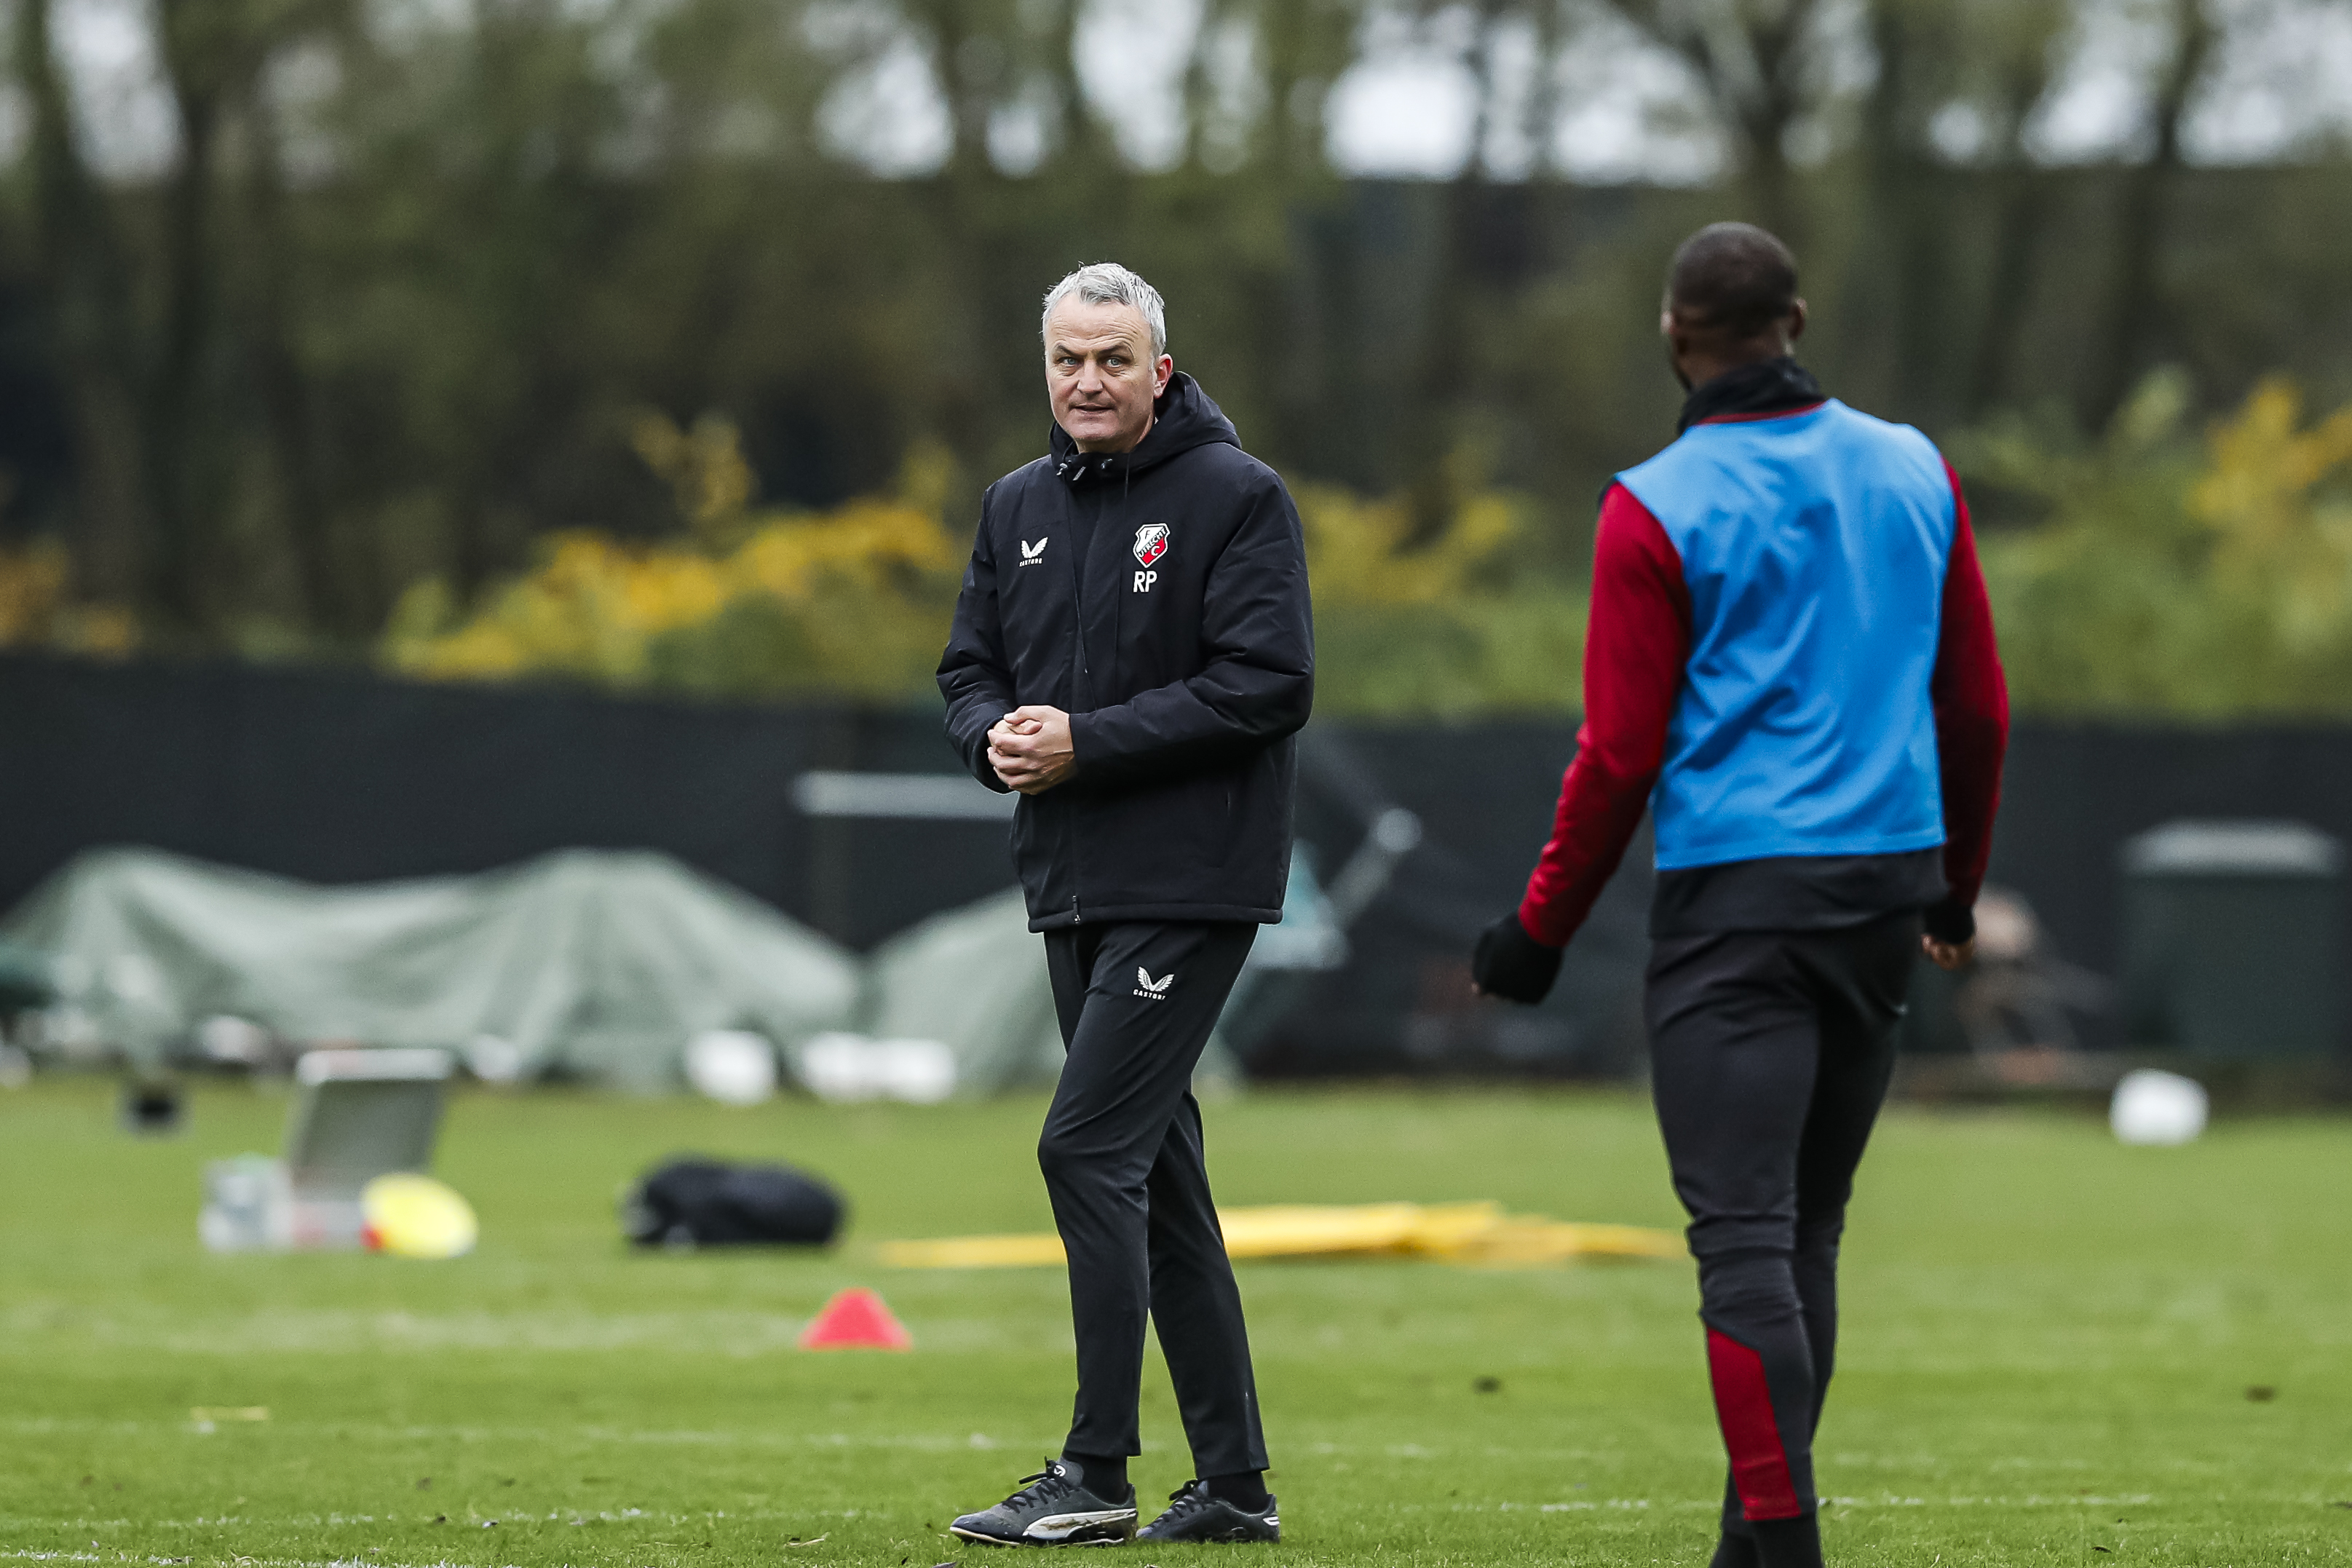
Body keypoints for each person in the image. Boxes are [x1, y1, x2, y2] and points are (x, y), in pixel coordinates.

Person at [1470, 223, 2008, 1568]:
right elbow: (1977, 707)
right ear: (1798, 321)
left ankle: (1784, 1542)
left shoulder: (1654, 503)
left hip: (1740, 905)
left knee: (1743, 1242)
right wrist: (1955, 893)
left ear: (1674, 335)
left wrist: (1539, 931)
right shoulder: (1916, 468)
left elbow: (1619, 755)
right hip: (1884, 892)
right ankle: (1748, 1545)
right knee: (1805, 1233)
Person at [936, 262, 1312, 1548]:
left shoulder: (1237, 495)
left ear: (1162, 368)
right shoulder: (1016, 504)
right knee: (1155, 1175)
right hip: (1070, 880)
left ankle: (1096, 1469)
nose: (1087, 381)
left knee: (1084, 1148)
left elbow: (1269, 683)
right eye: (1067, 359)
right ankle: (1235, 1485)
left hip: (1190, 880)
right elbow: (968, 669)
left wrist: (1087, 741)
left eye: (1112, 359)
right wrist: (993, 736)